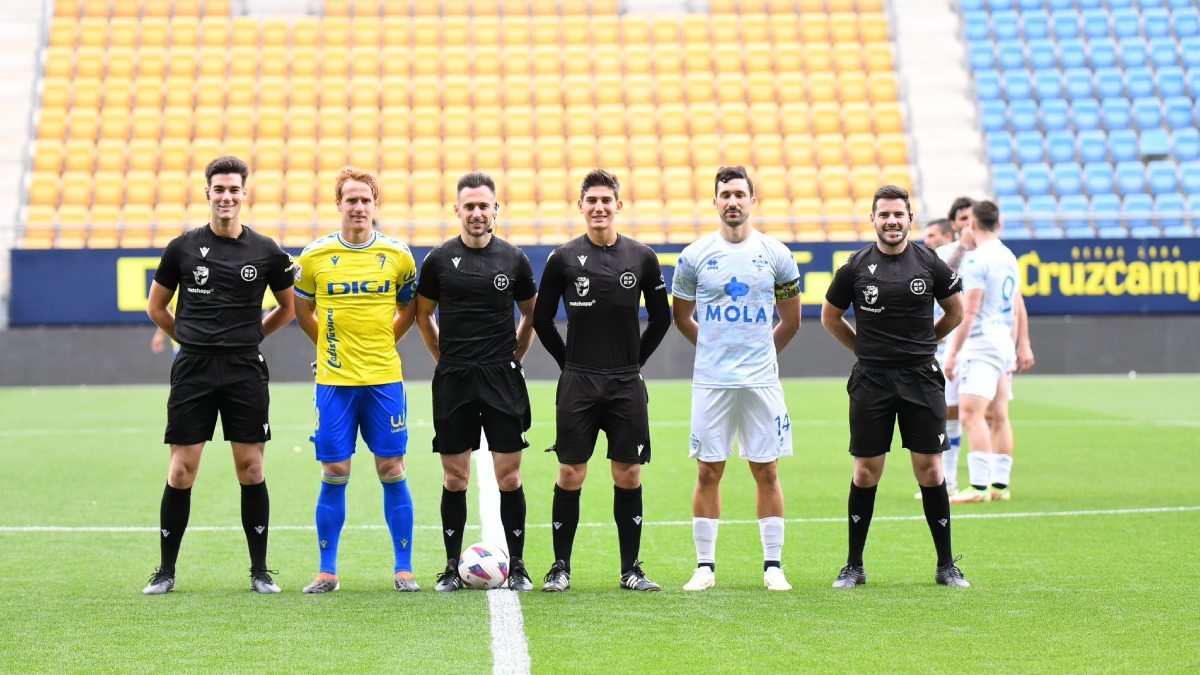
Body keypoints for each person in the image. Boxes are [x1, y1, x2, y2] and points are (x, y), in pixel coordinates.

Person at [143, 155, 296, 595]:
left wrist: (250, 337)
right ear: (206, 193)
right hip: (193, 368)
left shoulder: (266, 251)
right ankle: (166, 571)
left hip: (245, 368)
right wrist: (189, 338)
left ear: (244, 195)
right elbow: (156, 307)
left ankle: (260, 571)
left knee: (250, 468)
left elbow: (286, 310)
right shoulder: (182, 248)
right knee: (181, 472)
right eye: (219, 189)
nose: (226, 197)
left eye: (234, 190)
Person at [820, 184, 969, 589]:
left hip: (921, 377)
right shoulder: (854, 267)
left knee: (931, 469)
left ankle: (946, 565)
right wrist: (863, 351)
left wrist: (926, 344)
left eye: (898, 215)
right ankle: (853, 565)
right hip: (871, 380)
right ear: (873, 219)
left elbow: (956, 311)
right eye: (883, 215)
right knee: (867, 471)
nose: (891, 221)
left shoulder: (930, 262)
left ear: (909, 219)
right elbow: (830, 318)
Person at [533, 169, 671, 592]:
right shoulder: (562, 259)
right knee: (571, 472)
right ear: (580, 206)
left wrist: (635, 362)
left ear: (618, 206)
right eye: (590, 200)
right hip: (579, 382)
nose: (598, 207)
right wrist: (568, 364)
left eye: (605, 200)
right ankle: (560, 568)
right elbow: (541, 320)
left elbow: (662, 318)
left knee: (628, 474)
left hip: (625, 383)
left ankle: (631, 569)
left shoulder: (642, 257)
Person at [670, 166, 802, 592]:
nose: (732, 201)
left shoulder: (776, 254)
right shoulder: (693, 257)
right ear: (714, 201)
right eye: (725, 194)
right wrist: (713, 349)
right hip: (712, 383)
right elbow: (681, 316)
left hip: (761, 383)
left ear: (752, 200)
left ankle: (773, 566)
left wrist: (759, 355)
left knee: (767, 470)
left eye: (739, 194)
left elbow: (792, 320)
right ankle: (705, 567)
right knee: (708, 471)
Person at [293, 166, 421, 593]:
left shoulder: (398, 256)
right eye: (351, 199)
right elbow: (302, 311)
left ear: (375, 204)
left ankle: (403, 569)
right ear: (339, 204)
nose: (359, 206)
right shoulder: (313, 258)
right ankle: (327, 571)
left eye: (366, 199)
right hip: (334, 382)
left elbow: (410, 309)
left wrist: (387, 339)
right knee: (334, 468)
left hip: (384, 380)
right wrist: (327, 350)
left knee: (391, 467)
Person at [414, 172, 539, 592]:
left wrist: (513, 358)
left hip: (501, 377)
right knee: (455, 477)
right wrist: (442, 358)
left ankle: (518, 565)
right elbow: (423, 315)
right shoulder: (437, 261)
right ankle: (452, 567)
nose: (477, 213)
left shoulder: (514, 259)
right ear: (457, 211)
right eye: (469, 206)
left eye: (484, 205)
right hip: (454, 379)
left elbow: (531, 315)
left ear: (495, 209)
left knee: (509, 476)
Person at [946, 200, 1034, 504]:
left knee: (971, 415)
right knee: (1000, 415)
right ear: (999, 225)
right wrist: (1018, 342)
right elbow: (1016, 305)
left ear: (972, 225)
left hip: (982, 343)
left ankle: (979, 487)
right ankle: (1000, 484)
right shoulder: (1009, 256)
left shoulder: (978, 260)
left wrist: (953, 352)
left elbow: (969, 312)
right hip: (1003, 340)